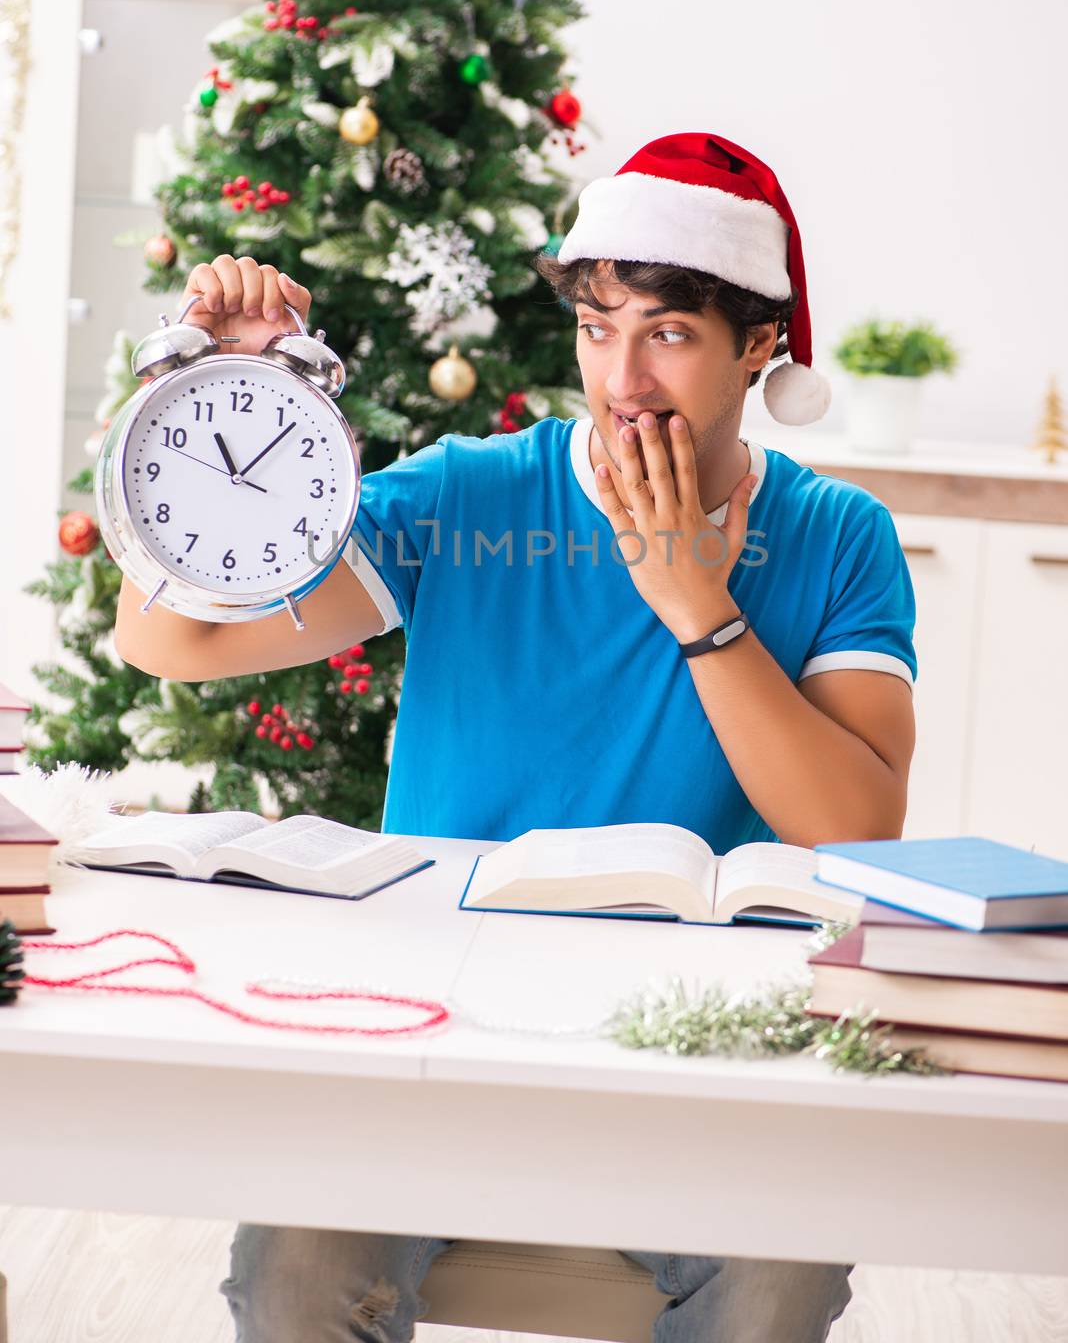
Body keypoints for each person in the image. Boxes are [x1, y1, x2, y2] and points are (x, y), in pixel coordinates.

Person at [115, 131, 916, 1341]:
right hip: (439, 1027)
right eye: (600, 328)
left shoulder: (837, 535)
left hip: (692, 1050)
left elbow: (857, 828)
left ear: (761, 346)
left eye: (672, 333)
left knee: (778, 1278)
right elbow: (176, 641)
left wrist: (698, 602)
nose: (625, 378)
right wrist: (225, 397)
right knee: (293, 1267)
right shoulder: (471, 494)